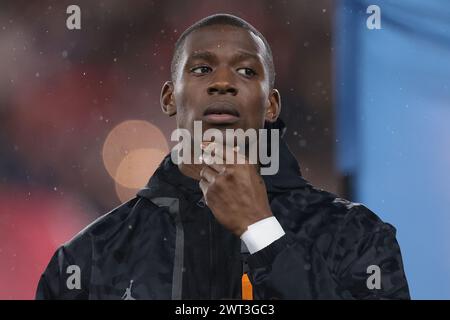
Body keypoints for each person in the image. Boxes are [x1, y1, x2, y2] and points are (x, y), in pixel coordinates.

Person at [36, 13, 410, 300]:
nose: (223, 81)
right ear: (168, 98)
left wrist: (262, 231)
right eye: (201, 69)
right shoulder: (87, 258)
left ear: (272, 105)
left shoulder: (358, 236)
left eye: (247, 71)